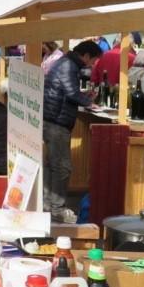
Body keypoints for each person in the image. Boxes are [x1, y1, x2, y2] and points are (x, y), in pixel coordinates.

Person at [42, 40, 102, 223]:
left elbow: (70, 91)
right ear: (86, 56)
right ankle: (57, 209)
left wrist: (84, 97)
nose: (92, 65)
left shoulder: (66, 63)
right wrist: (88, 102)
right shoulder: (68, 65)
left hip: (53, 119)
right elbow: (70, 92)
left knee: (52, 165)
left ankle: (48, 205)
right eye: (93, 61)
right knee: (62, 168)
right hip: (56, 122)